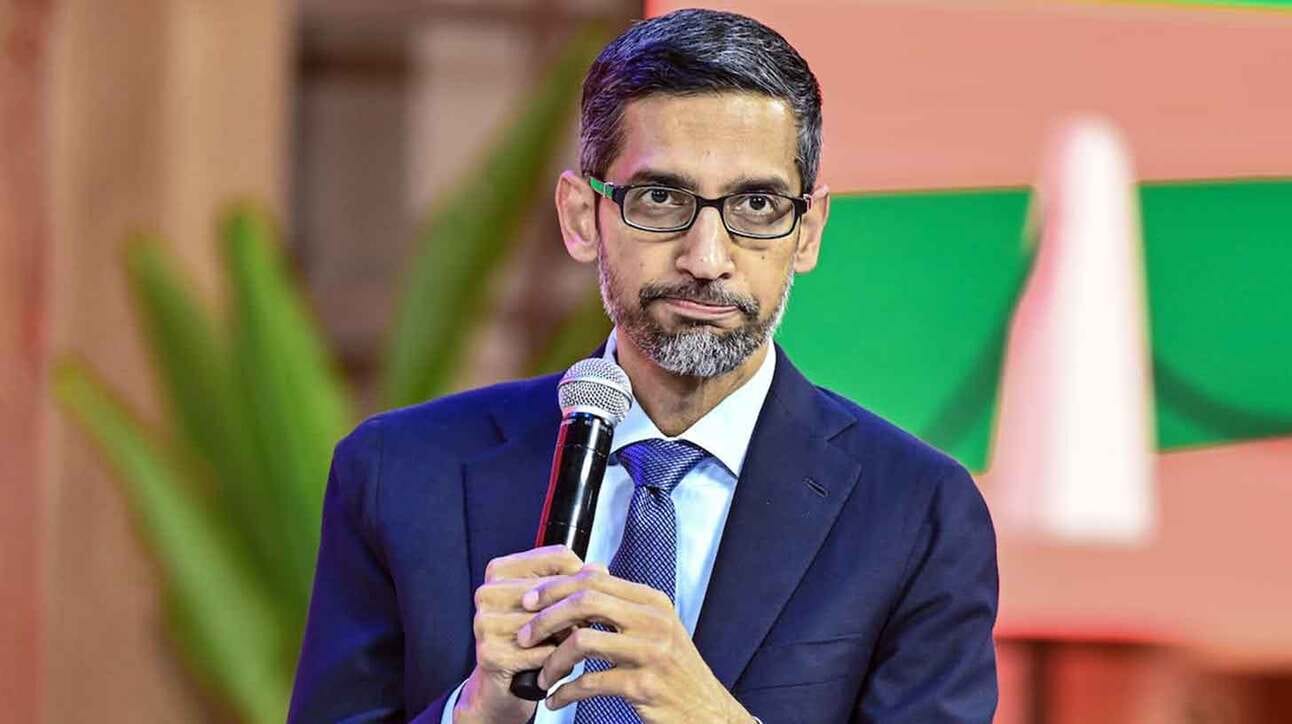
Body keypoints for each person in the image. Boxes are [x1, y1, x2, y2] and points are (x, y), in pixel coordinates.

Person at [289, 8, 998, 723]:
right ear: (580, 217)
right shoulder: (400, 473)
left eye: (756, 204)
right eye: (661, 198)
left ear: (807, 232)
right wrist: (474, 712)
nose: (707, 259)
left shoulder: (918, 513)